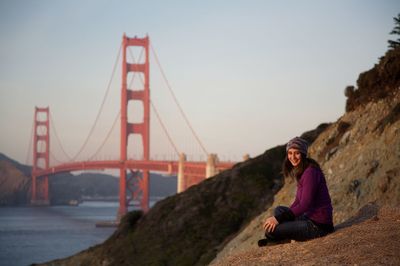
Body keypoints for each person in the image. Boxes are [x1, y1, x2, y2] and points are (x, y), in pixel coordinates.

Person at [258, 137, 334, 247]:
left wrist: (278, 219)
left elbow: (304, 204)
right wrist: (283, 217)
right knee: (279, 210)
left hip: (319, 226)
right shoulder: (302, 171)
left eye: (297, 153)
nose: (292, 157)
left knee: (272, 230)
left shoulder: (310, 172)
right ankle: (281, 237)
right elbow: (298, 201)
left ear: (303, 154)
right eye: (290, 153)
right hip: (308, 217)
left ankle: (276, 238)